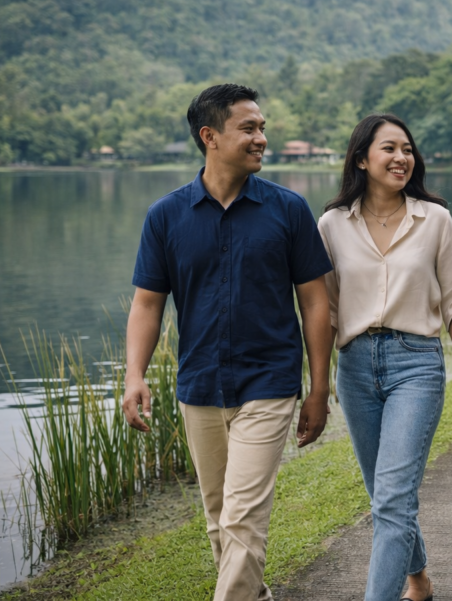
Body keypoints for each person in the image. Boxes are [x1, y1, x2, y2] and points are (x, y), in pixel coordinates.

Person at [122, 84, 334, 601]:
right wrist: (134, 376)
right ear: (210, 136)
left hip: (269, 383)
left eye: (262, 127)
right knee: (219, 519)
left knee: (242, 517)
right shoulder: (165, 216)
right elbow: (147, 304)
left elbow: (316, 303)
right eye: (250, 128)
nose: (262, 137)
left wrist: (319, 388)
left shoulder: (288, 209)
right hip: (199, 386)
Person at [317, 114, 452, 601]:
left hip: (417, 364)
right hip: (356, 366)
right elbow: (328, 309)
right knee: (384, 496)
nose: (402, 158)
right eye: (389, 149)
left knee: (394, 498)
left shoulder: (435, 219)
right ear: (361, 158)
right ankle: (418, 574)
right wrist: (320, 383)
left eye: (407, 149)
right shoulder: (332, 225)